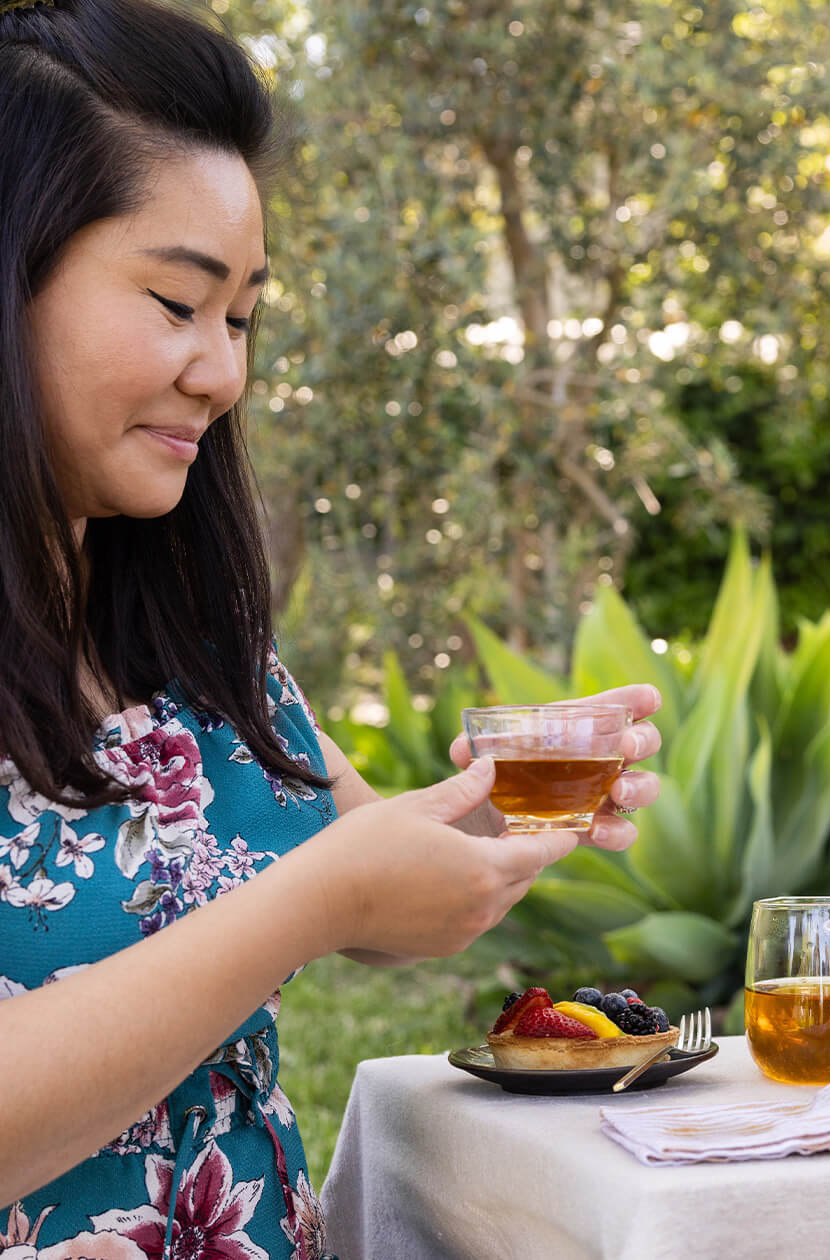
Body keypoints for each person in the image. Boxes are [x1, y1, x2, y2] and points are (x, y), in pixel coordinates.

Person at [0, 0, 662, 1255]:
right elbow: (316, 891)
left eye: (241, 317)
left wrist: (518, 809)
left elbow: (371, 875)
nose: (223, 373)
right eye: (176, 303)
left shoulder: (188, 638)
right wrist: (316, 900)